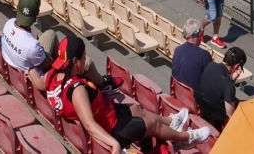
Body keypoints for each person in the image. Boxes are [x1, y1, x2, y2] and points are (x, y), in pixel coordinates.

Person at [45, 34, 210, 153]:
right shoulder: (77, 90)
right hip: (111, 128)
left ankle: (172, 123)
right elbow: (89, 124)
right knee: (152, 125)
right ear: (75, 61)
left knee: (137, 109)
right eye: (83, 57)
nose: (85, 60)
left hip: (107, 114)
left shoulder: (50, 76)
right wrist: (113, 143)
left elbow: (36, 81)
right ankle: (186, 138)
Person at [0, 0, 50, 95]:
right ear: (37, 13)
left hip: (14, 70)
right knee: (51, 34)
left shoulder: (8, 23)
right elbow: (47, 65)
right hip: (34, 81)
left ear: (18, 7)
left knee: (50, 35)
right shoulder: (32, 46)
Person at [195, 45, 246, 130]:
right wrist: (231, 82)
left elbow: (221, 88)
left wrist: (232, 79)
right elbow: (231, 115)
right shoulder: (227, 84)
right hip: (215, 123)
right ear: (237, 66)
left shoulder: (210, 65)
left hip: (203, 113)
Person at [170, 20, 212, 89]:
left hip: (176, 92)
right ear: (198, 34)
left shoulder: (177, 50)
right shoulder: (204, 55)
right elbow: (210, 80)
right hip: (193, 98)